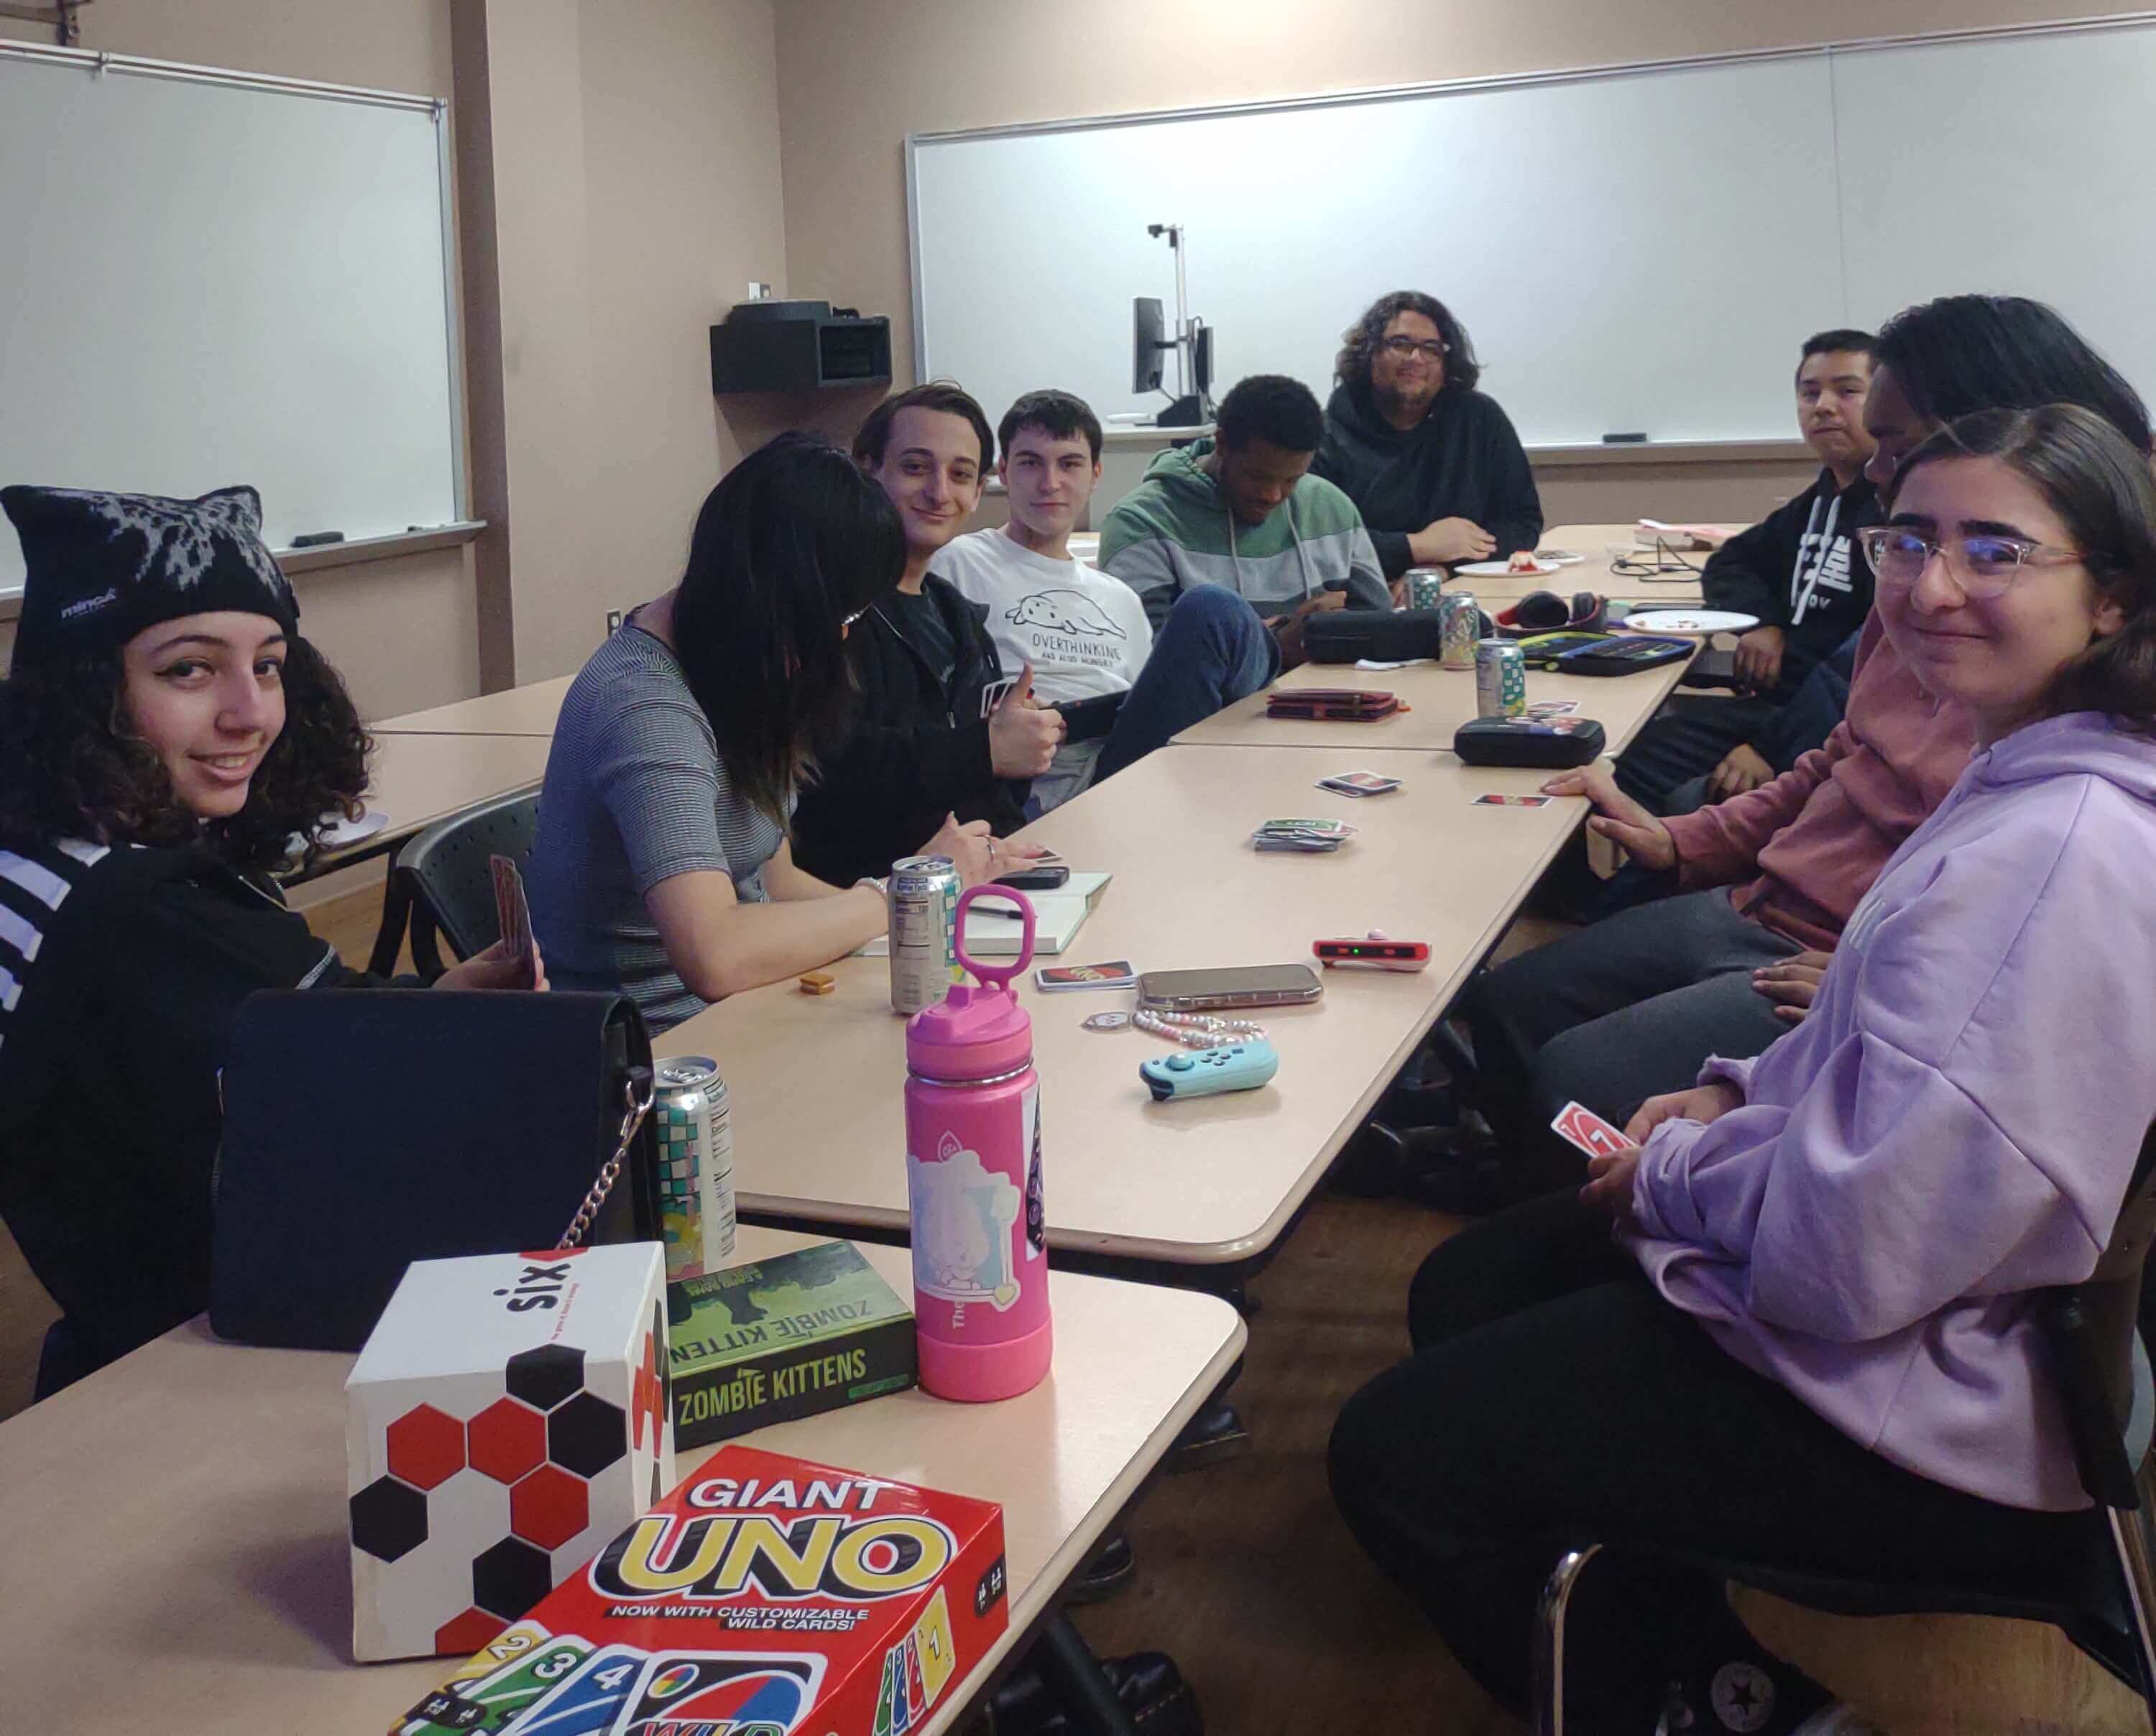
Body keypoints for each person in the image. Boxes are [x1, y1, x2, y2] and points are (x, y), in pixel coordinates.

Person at [1332, 402, 2156, 1732]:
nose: (1931, 589)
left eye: (1995, 552)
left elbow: (1851, 1260)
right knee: (1476, 1276)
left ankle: (1699, 1702)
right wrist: (1733, 1092)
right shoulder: (2043, 770)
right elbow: (1874, 1056)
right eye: (1911, 540)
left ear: (2113, 597)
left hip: (1944, 1407)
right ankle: (1693, 1658)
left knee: (1395, 1453)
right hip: (1953, 1319)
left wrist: (1669, 1172)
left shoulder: (2045, 856)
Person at [1452, 295, 2153, 1203]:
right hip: (1779, 904)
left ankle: (1609, 1252)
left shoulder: (2078, 734)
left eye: (1898, 443)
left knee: (1577, 1076)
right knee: (1513, 1003)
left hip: (1850, 955)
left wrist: (1877, 972)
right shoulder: (1913, 575)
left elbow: (2012, 940)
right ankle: (1553, 1223)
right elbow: (1844, 754)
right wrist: (1684, 841)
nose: (1877, 468)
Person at [0, 483, 538, 1395]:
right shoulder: (141, 909)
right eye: (189, 671)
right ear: (89, 691)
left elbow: (287, 1024)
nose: (250, 713)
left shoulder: (55, 844)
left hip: (120, 1334)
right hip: (200, 1373)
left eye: (271, 664)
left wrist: (435, 1004)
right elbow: (339, 1119)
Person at [529, 432, 1009, 1033]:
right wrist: (900, 893)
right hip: (651, 1053)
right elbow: (717, 955)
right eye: (835, 615)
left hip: (751, 1014)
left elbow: (771, 879)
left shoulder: (738, 668)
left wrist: (932, 909)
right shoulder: (645, 707)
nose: (839, 638)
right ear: (775, 596)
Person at [936, 388, 1296, 811]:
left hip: (1121, 776)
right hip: (1022, 791)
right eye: (1031, 463)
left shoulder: (1119, 598)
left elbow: (1148, 712)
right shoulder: (960, 562)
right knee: (1212, 611)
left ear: (1095, 475)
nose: (1050, 483)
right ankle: (1280, 652)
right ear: (1003, 471)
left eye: (1069, 464)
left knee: (1212, 614)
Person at [789, 384, 1063, 886]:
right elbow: (825, 770)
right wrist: (983, 750)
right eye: (916, 467)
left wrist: (1017, 758)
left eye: (960, 475)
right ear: (867, 469)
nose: (940, 493)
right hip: (858, 905)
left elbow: (986, 786)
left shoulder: (959, 619)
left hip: (973, 886)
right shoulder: (826, 607)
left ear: (979, 493)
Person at [1616, 331, 1881, 812]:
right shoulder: (1821, 499)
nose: (1823, 406)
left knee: (1635, 761)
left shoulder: (1896, 510)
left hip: (1835, 725)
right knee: (1622, 747)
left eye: (1847, 391)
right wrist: (1764, 623)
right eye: (1809, 392)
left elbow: (1867, 665)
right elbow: (1732, 559)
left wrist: (1769, 746)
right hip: (1782, 702)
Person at [1097, 374, 1389, 669]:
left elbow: (1382, 629)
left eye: (1292, 480)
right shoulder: (1140, 524)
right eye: (1258, 477)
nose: (1273, 495)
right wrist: (1278, 644)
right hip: (1213, 715)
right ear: (1221, 443)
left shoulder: (1330, 507)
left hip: (1331, 702)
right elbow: (1152, 670)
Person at [1312, 290, 1543, 579]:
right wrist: (1417, 547)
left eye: (1432, 348)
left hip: (1464, 588)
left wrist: (1442, 570)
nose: (1417, 358)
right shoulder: (1326, 436)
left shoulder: (1480, 419)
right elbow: (1318, 546)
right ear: (1369, 353)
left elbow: (1522, 523)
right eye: (1401, 344)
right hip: (1360, 602)